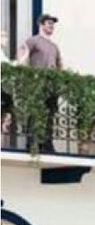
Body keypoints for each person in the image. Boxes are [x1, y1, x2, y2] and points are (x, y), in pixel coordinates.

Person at [17, 14, 62, 153]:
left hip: (51, 85)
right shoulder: (33, 41)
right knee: (34, 112)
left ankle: (47, 143)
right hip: (37, 83)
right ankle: (32, 142)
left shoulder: (54, 46)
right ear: (41, 25)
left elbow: (60, 66)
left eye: (53, 24)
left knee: (50, 113)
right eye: (49, 23)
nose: (52, 26)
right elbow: (21, 56)